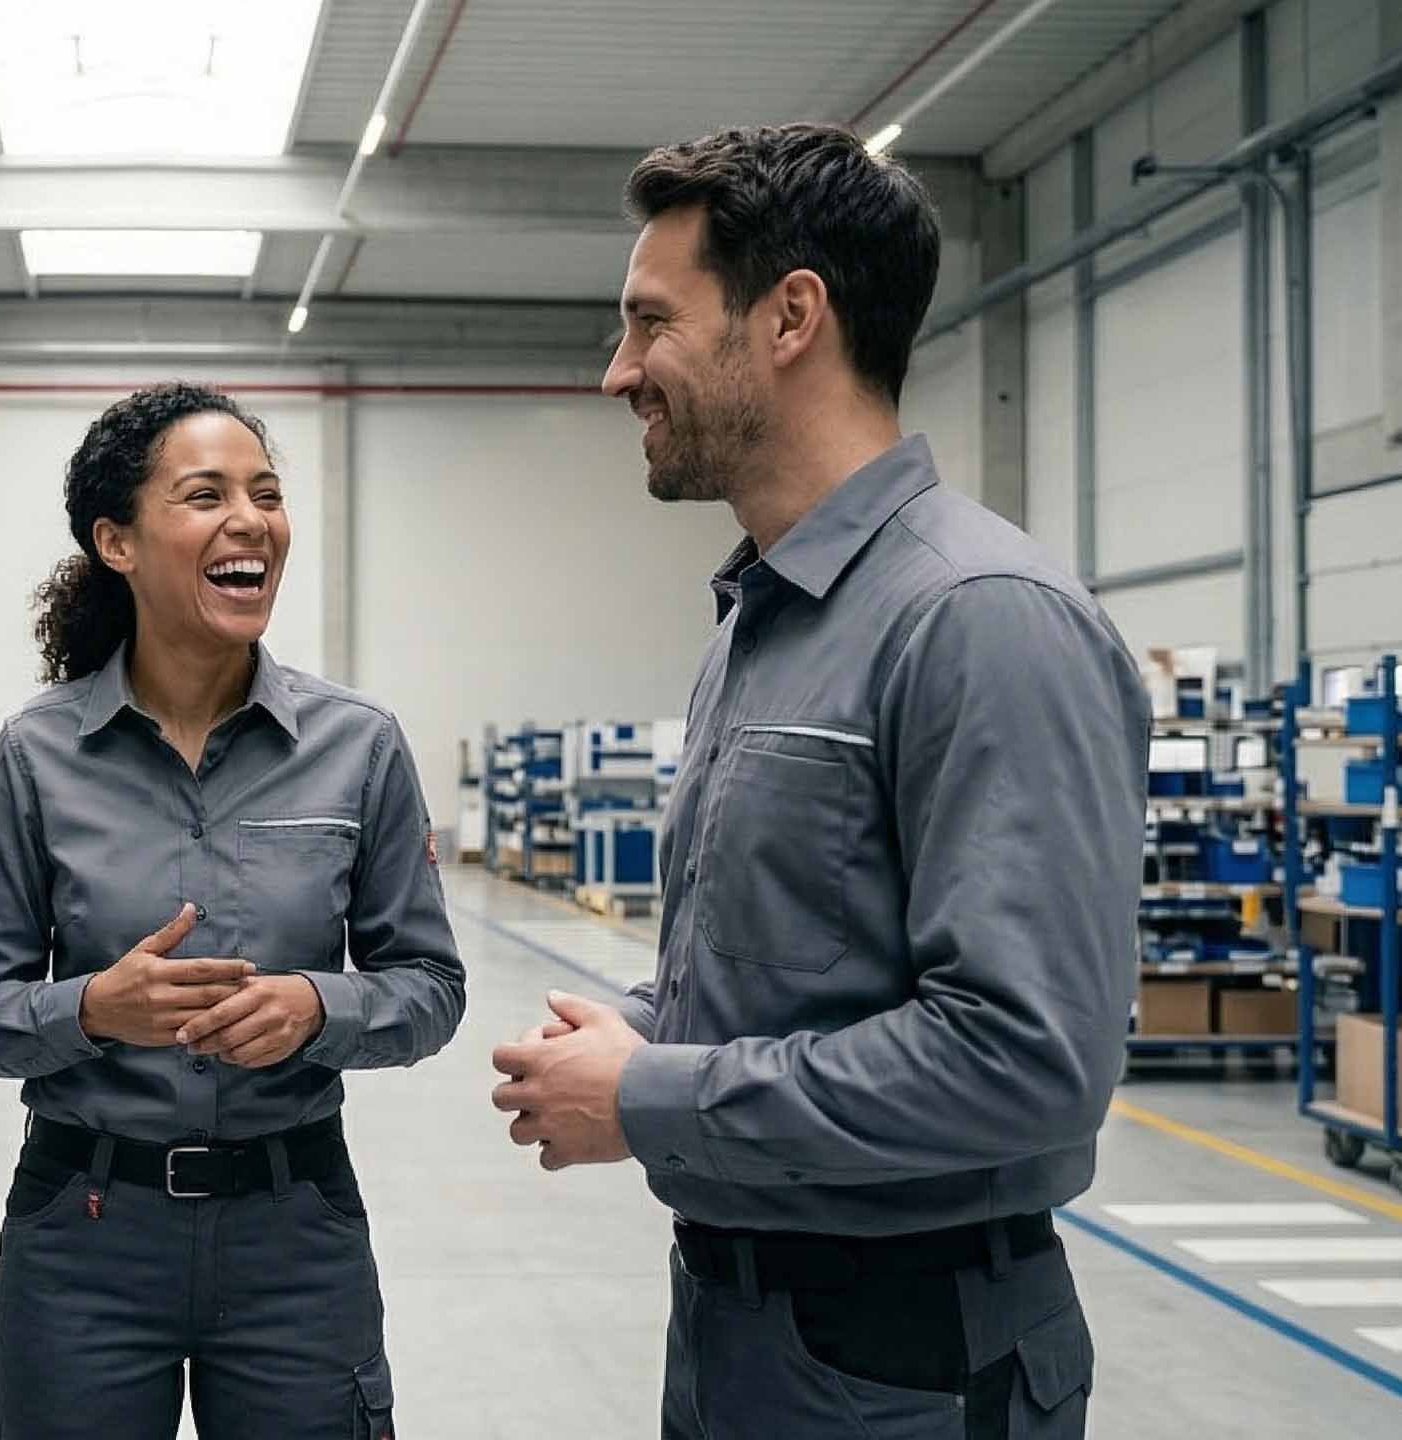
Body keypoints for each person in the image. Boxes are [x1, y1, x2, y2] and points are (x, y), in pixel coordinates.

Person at [488, 125, 1145, 1439]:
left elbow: (1027, 1061)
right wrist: (640, 1027)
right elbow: (805, 956)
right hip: (745, 1326)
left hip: (904, 1353)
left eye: (650, 324)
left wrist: (651, 1094)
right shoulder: (762, 620)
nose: (620, 371)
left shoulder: (978, 616)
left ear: (790, 317)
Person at [0, 382, 466, 1440]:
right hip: (84, 1230)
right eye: (205, 495)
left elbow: (432, 989)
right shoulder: (37, 755)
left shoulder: (357, 746)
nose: (251, 520)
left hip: (293, 1231)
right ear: (118, 542)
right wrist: (92, 1010)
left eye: (266, 494)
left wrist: (320, 1009)